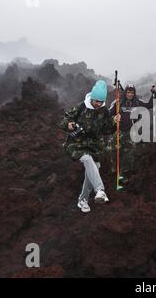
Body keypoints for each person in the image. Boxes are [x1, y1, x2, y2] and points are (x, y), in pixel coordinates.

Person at [59, 80, 113, 213]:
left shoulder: (104, 111)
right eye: (96, 101)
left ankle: (82, 200)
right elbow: (64, 121)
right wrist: (69, 124)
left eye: (100, 102)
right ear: (92, 98)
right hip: (76, 143)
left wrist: (115, 123)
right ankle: (100, 190)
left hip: (94, 145)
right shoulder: (81, 107)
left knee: (94, 168)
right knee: (87, 159)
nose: (98, 104)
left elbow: (107, 130)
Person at [109, 83, 156, 176]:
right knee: (114, 150)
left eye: (132, 93)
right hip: (118, 131)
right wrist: (114, 118)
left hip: (131, 131)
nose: (130, 94)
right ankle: (114, 170)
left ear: (134, 93)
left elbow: (150, 105)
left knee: (129, 152)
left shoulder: (137, 102)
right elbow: (108, 114)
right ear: (125, 92)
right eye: (128, 92)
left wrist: (154, 93)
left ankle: (125, 173)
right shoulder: (118, 102)